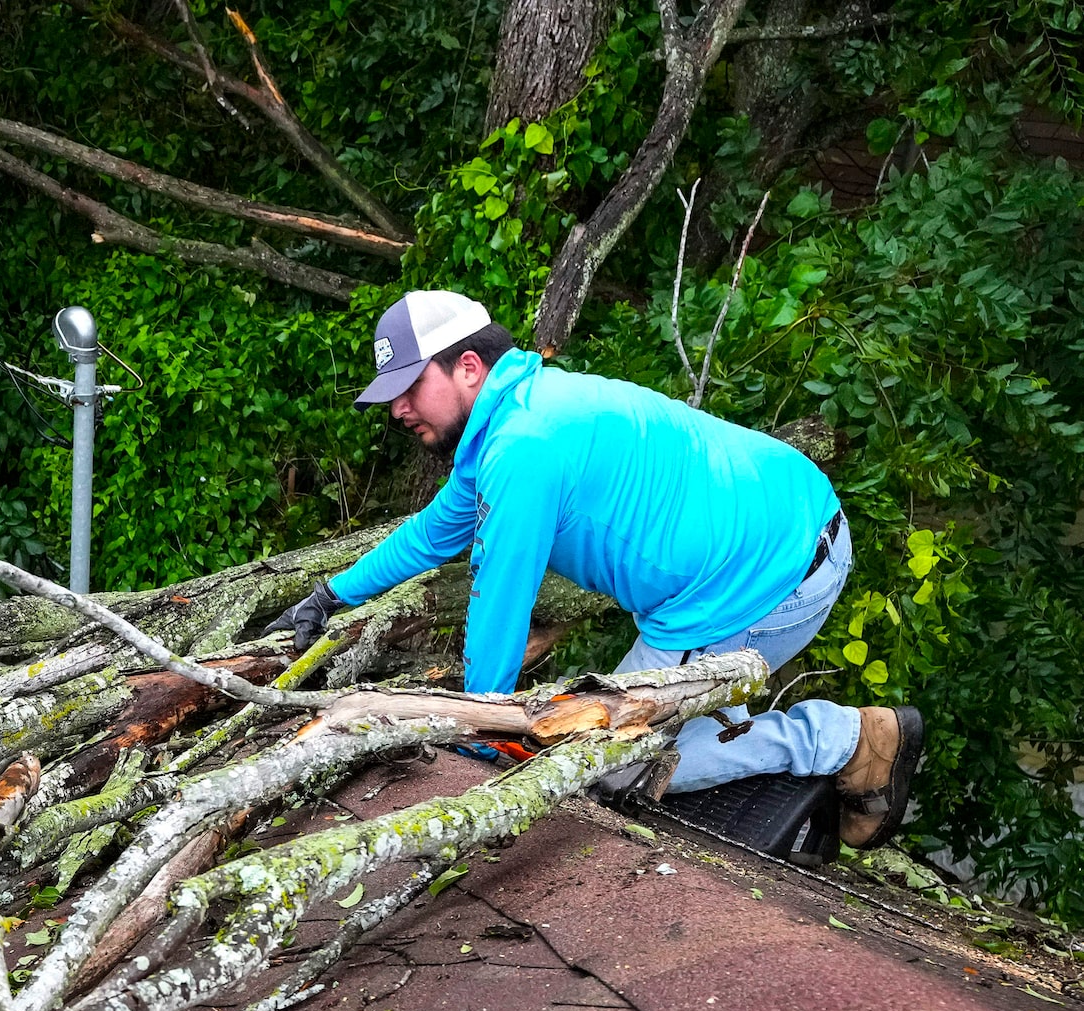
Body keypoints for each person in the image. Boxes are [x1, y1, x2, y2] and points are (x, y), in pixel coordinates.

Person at [268, 289, 922, 847]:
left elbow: (500, 599)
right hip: (777, 535)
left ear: (468, 366)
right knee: (622, 730)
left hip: (764, 572)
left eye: (409, 388)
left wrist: (477, 734)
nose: (397, 409)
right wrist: (330, 595)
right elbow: (433, 535)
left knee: (608, 762)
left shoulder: (524, 445)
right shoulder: (517, 418)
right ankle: (810, 742)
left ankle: (847, 742)